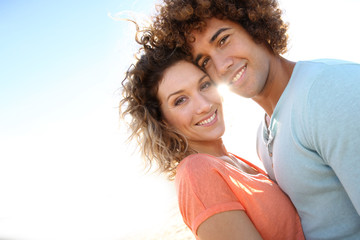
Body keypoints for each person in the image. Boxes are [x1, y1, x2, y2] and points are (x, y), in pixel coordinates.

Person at [143, 0, 360, 239]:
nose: (222, 66)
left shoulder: (330, 91)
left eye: (223, 40)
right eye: (205, 61)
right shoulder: (265, 135)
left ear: (254, 24)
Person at [119, 44, 305, 239]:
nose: (204, 105)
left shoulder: (230, 161)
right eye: (180, 100)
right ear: (162, 121)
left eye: (204, 85)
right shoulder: (196, 172)